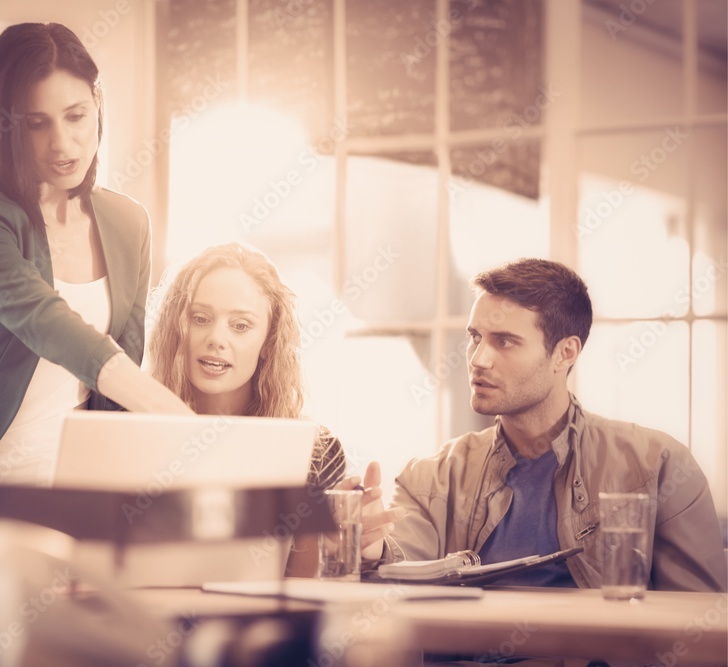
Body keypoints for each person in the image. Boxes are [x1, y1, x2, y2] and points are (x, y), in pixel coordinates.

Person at [0, 23, 191, 503]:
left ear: (98, 107)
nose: (63, 143)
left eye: (76, 115)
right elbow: (47, 322)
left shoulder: (128, 223)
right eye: (37, 124)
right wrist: (177, 416)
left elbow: (124, 362)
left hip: (75, 497)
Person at [383, 258, 727, 591]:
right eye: (476, 337)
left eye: (504, 341)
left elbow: (697, 624)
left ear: (565, 353)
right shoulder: (430, 477)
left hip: (587, 653)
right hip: (465, 652)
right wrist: (370, 548)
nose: (477, 360)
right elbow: (397, 563)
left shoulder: (659, 466)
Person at [148, 242, 399, 575]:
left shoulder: (316, 452)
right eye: (200, 318)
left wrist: (365, 550)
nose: (216, 339)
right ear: (175, 327)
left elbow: (314, 595)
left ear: (268, 342)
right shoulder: (130, 431)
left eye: (240, 326)